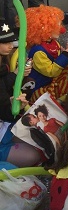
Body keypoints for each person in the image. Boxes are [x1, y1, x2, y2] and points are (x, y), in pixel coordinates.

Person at [0, 21, 43, 166]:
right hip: (4, 124)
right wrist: (14, 106)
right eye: (5, 42)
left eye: (10, 41)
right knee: (33, 156)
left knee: (38, 145)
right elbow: (4, 107)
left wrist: (17, 75)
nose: (10, 45)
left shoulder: (4, 63)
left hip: (5, 125)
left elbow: (3, 84)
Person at [24, 5, 68, 103]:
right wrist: (65, 55)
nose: (62, 30)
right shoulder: (38, 51)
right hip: (40, 87)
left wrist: (66, 54)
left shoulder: (53, 42)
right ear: (44, 29)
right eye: (57, 26)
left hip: (52, 81)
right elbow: (51, 72)